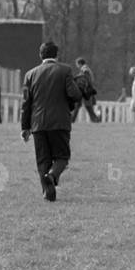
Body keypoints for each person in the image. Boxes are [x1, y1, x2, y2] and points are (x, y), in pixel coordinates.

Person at [20, 42, 82, 202]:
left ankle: (48, 193)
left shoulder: (29, 75)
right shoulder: (65, 70)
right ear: (56, 55)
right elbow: (75, 95)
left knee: (42, 160)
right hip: (60, 122)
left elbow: (26, 104)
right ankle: (52, 175)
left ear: (40, 55)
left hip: (38, 124)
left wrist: (25, 127)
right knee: (62, 156)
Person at [71, 58, 101, 123]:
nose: (76, 65)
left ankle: (95, 119)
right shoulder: (85, 69)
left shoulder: (85, 69)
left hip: (85, 90)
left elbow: (87, 79)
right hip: (84, 90)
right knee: (79, 105)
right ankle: (72, 119)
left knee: (87, 106)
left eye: (77, 64)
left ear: (80, 63)